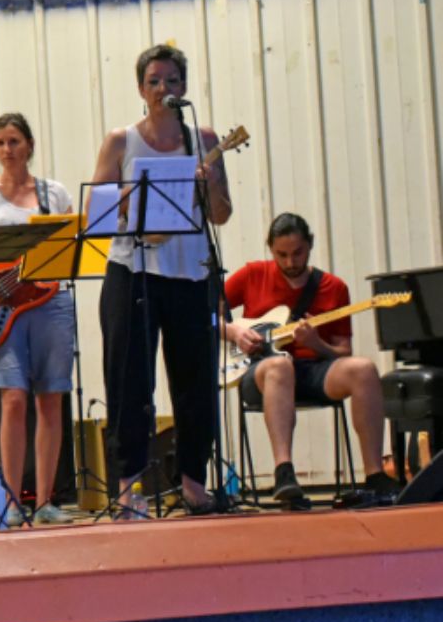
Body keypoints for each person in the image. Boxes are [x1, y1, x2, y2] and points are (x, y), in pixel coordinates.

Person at [91, 44, 232, 515]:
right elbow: (98, 213)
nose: (163, 89)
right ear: (140, 88)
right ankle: (127, 488)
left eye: (171, 80)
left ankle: (193, 482)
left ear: (183, 87)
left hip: (190, 273)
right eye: (153, 81)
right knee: (129, 383)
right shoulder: (121, 141)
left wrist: (209, 182)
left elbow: (221, 215)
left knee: (196, 383)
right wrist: (135, 197)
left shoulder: (203, 138)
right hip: (132, 273)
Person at [0, 112, 76, 525]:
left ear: (30, 145)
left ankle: (45, 502)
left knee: (51, 397)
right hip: (1, 306)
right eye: (0, 143)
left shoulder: (53, 193)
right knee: (13, 398)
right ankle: (9, 501)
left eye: (14, 141)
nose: (7, 150)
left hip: (51, 303)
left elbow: (70, 247)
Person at [224, 213, 398, 507]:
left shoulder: (333, 287)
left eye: (298, 253)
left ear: (310, 246)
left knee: (364, 369)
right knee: (280, 366)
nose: (290, 262)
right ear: (270, 249)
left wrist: (316, 343)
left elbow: (343, 352)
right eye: (281, 255)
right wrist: (234, 332)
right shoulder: (253, 274)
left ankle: (375, 476)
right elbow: (204, 313)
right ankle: (284, 473)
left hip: (313, 370)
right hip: (261, 372)